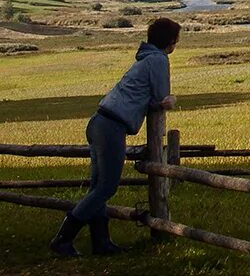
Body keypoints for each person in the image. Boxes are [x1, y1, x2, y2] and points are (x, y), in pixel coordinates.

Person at [49, 17, 179, 257]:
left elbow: (145, 98)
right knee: (106, 187)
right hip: (112, 127)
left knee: (98, 187)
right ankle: (63, 238)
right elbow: (161, 97)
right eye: (175, 41)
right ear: (170, 41)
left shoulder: (143, 59)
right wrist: (169, 101)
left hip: (100, 121)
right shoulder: (159, 59)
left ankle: (101, 242)